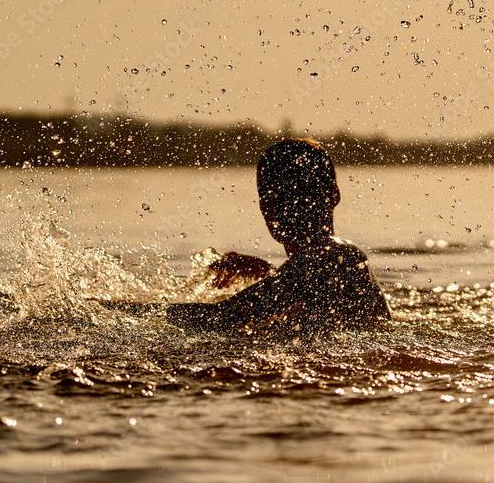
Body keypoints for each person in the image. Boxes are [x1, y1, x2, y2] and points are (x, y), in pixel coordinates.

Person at [165, 138, 391, 335]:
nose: (272, 202)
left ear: (332, 194)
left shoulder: (337, 254)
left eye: (290, 189)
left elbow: (220, 318)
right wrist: (269, 274)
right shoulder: (323, 265)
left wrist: (136, 314)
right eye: (266, 192)